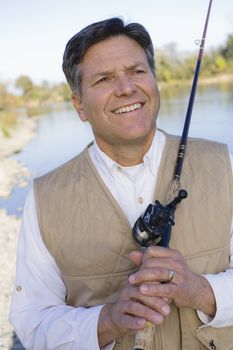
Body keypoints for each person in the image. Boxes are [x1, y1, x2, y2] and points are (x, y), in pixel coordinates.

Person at [9, 17, 233, 350]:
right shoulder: (44, 198)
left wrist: (201, 291)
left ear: (154, 80)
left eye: (137, 71)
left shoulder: (223, 163)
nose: (126, 88)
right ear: (79, 106)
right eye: (104, 79)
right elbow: (32, 322)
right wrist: (107, 321)